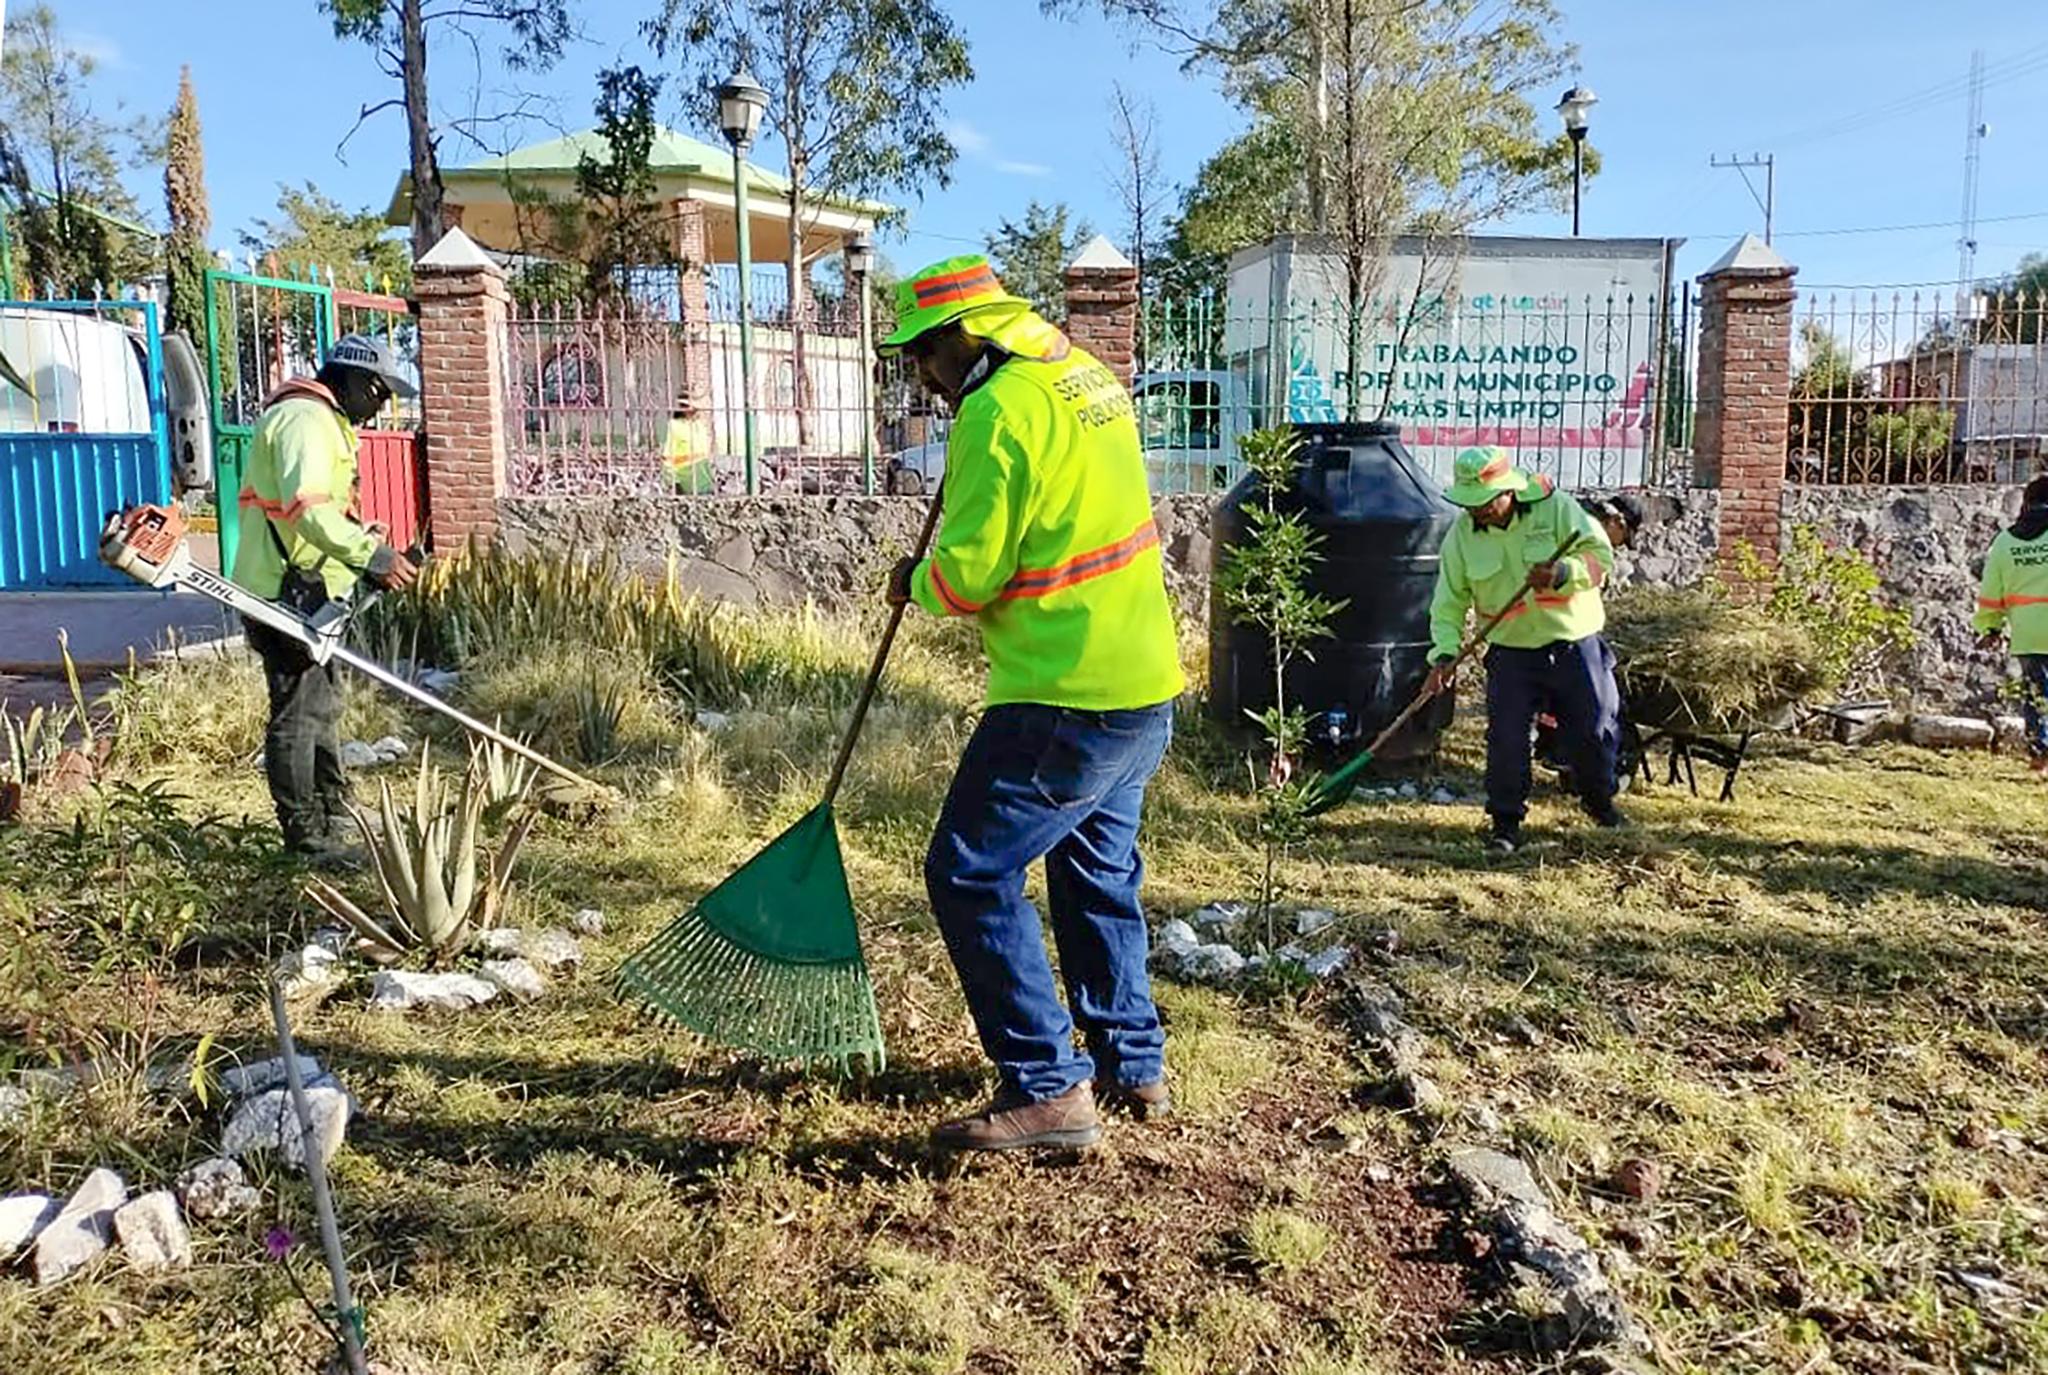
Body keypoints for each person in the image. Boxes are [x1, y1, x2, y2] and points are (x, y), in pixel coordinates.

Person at [880, 255, 1184, 1152]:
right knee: (1095, 872)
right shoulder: (1087, 377)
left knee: (968, 872)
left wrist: (915, 580)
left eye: (920, 358)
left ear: (959, 338)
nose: (922, 380)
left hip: (1063, 695)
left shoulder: (996, 410)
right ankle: (1133, 1059)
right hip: (1140, 687)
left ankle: (1049, 1086)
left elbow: (971, 575)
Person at [230, 334, 420, 865]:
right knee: (297, 713)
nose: (382, 407)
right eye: (381, 393)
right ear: (356, 379)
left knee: (323, 707)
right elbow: (307, 511)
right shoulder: (305, 421)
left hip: (312, 594)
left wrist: (364, 548)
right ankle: (307, 837)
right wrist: (373, 555)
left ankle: (333, 812)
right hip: (281, 593)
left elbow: (323, 511)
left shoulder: (323, 421)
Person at [1426, 447, 1622, 854]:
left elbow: (1602, 560)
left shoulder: (1557, 510)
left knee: (1593, 730)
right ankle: (1505, 824)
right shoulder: (1461, 537)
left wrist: (1565, 573)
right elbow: (1447, 602)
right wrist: (1444, 656)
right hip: (1511, 653)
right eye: (1469, 503)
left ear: (1508, 492)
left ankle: (1600, 803)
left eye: (1483, 502)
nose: (1476, 511)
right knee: (1507, 739)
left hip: (1574, 643)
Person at [1535, 492, 1645, 774]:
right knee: (1593, 698)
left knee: (1552, 698)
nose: (1620, 544)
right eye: (1625, 534)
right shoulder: (1586, 532)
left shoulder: (1572, 520)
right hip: (1564, 628)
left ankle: (1553, 746)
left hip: (1547, 625)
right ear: (1616, 522)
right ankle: (1569, 754)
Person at [1975, 474, 2048, 773]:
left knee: (2036, 694)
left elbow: (1992, 591)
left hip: (2028, 632)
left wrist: (1989, 627)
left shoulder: (2005, 542)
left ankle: (2039, 757)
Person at [663, 397, 714, 494]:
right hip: (684, 478)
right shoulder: (674, 425)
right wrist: (673, 481)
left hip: (703, 477)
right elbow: (667, 456)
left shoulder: (699, 425)